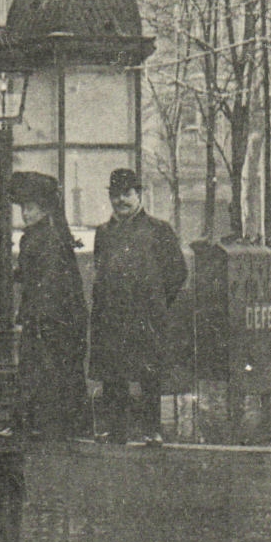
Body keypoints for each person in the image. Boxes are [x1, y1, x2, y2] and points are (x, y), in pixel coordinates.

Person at [91, 169, 187, 445]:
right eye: (115, 194)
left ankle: (151, 429)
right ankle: (117, 430)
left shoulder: (159, 230)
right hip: (112, 316)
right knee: (114, 373)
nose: (120, 200)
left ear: (139, 194)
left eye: (126, 194)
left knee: (149, 374)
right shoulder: (104, 232)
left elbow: (177, 272)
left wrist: (155, 299)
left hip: (146, 316)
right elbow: (101, 270)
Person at [11, 171, 89, 439]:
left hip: (53, 316)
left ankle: (48, 425)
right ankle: (42, 423)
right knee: (39, 368)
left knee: (47, 369)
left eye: (30, 208)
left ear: (44, 209)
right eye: (23, 208)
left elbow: (50, 279)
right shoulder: (39, 234)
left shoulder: (49, 236)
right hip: (46, 314)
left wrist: (38, 316)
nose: (25, 214)